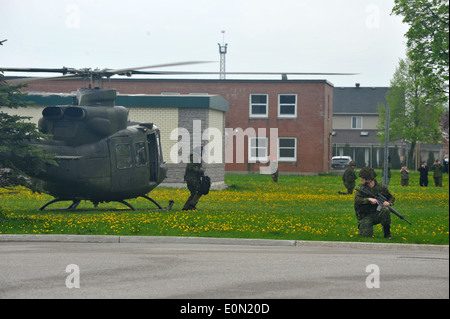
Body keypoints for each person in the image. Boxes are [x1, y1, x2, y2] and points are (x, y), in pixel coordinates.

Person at [354, 167, 395, 238]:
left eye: (363, 178)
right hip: (365, 216)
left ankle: (387, 233)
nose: (361, 180)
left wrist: (388, 203)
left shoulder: (380, 187)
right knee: (365, 236)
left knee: (385, 210)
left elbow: (391, 197)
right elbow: (357, 199)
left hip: (376, 214)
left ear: (369, 179)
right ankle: (362, 226)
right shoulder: (361, 188)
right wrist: (368, 199)